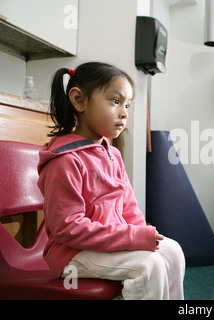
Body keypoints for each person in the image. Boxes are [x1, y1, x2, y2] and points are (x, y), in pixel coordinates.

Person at [37, 62, 185, 300]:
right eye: (115, 101)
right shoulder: (64, 161)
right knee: (150, 265)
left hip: (107, 245)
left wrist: (141, 232)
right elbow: (67, 228)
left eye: (127, 104)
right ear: (79, 100)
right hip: (71, 255)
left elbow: (128, 208)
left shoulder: (112, 154)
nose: (125, 112)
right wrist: (133, 238)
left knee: (173, 251)